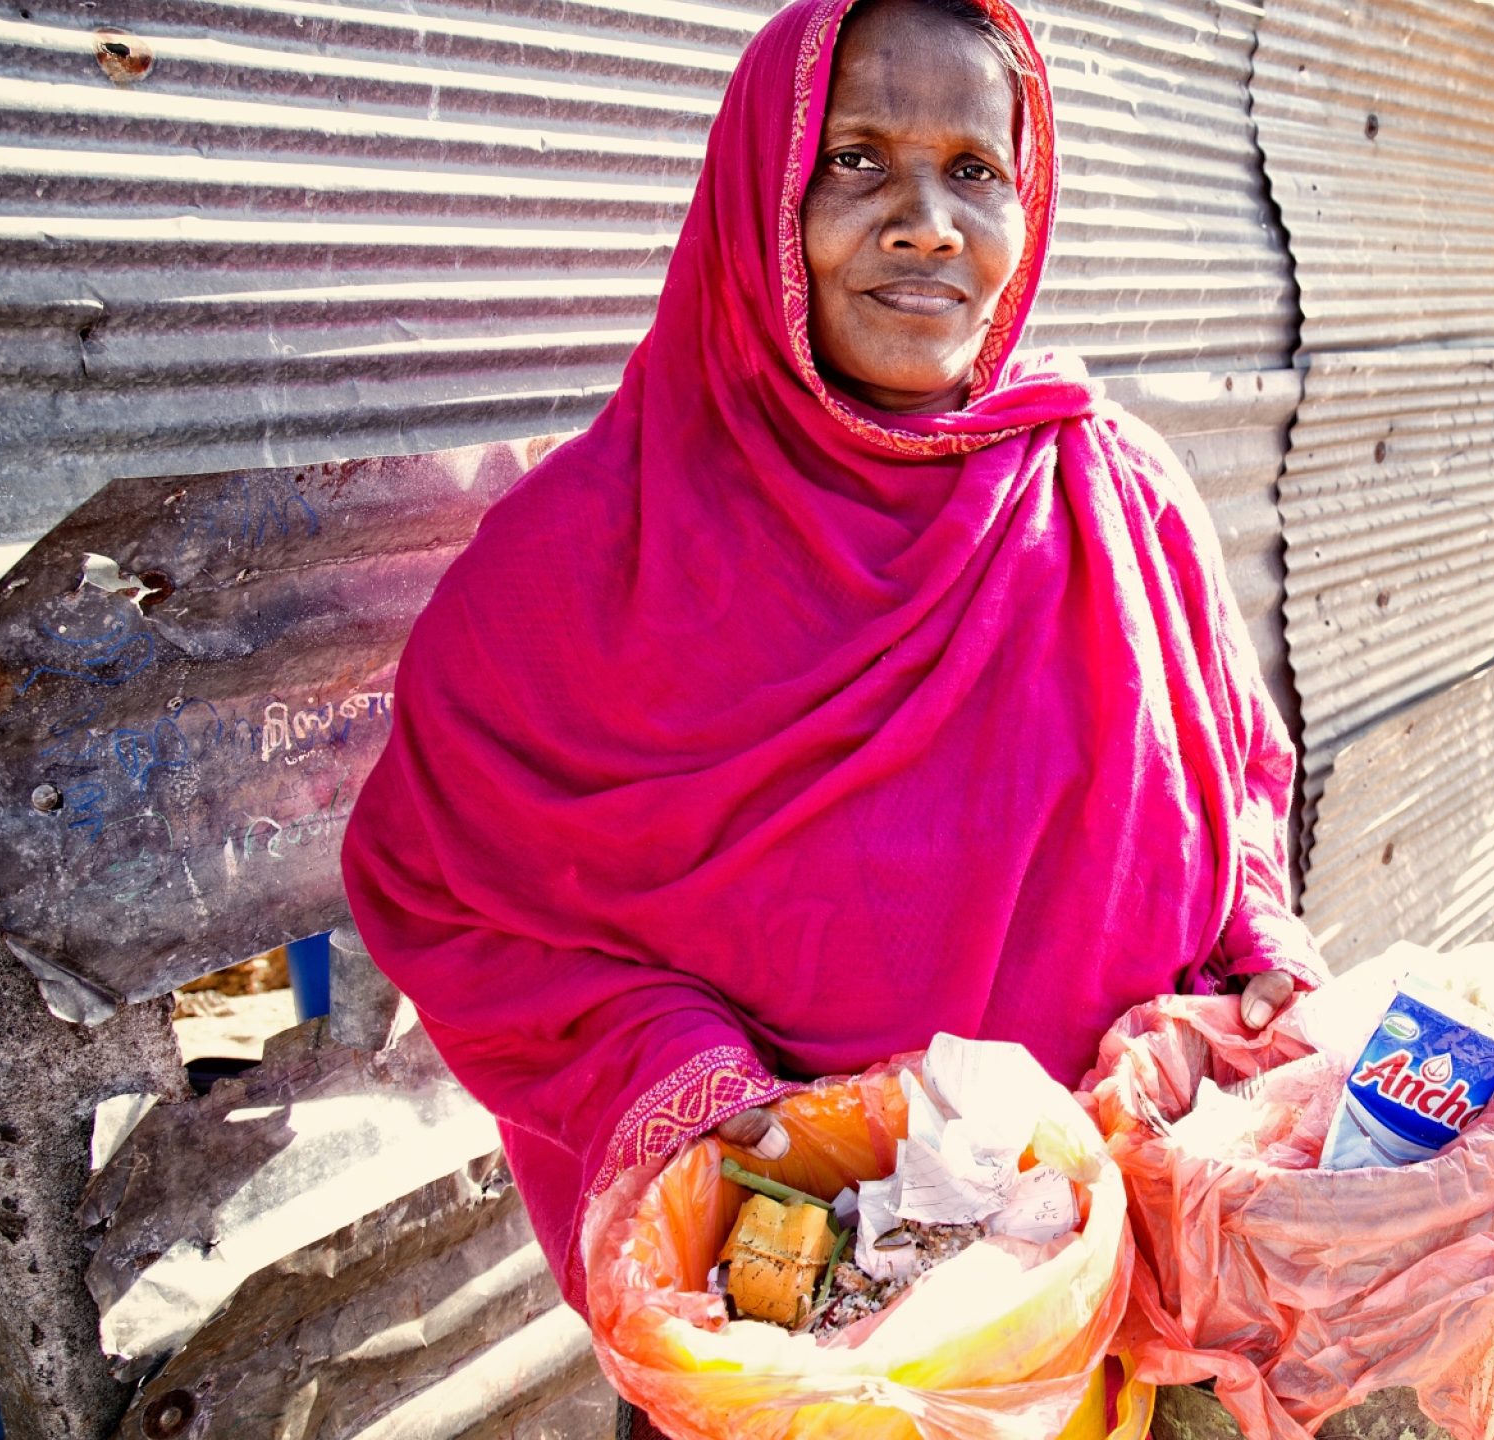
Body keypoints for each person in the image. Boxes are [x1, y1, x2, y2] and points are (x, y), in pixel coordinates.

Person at [339, 0, 1321, 1313]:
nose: (929, 223)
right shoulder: (578, 561)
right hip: (798, 1297)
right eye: (857, 160)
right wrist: (690, 1091)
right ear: (761, 192)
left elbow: (1230, 773)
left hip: (1135, 1255)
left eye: (976, 169)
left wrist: (1256, 941)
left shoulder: (1112, 491)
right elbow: (448, 896)